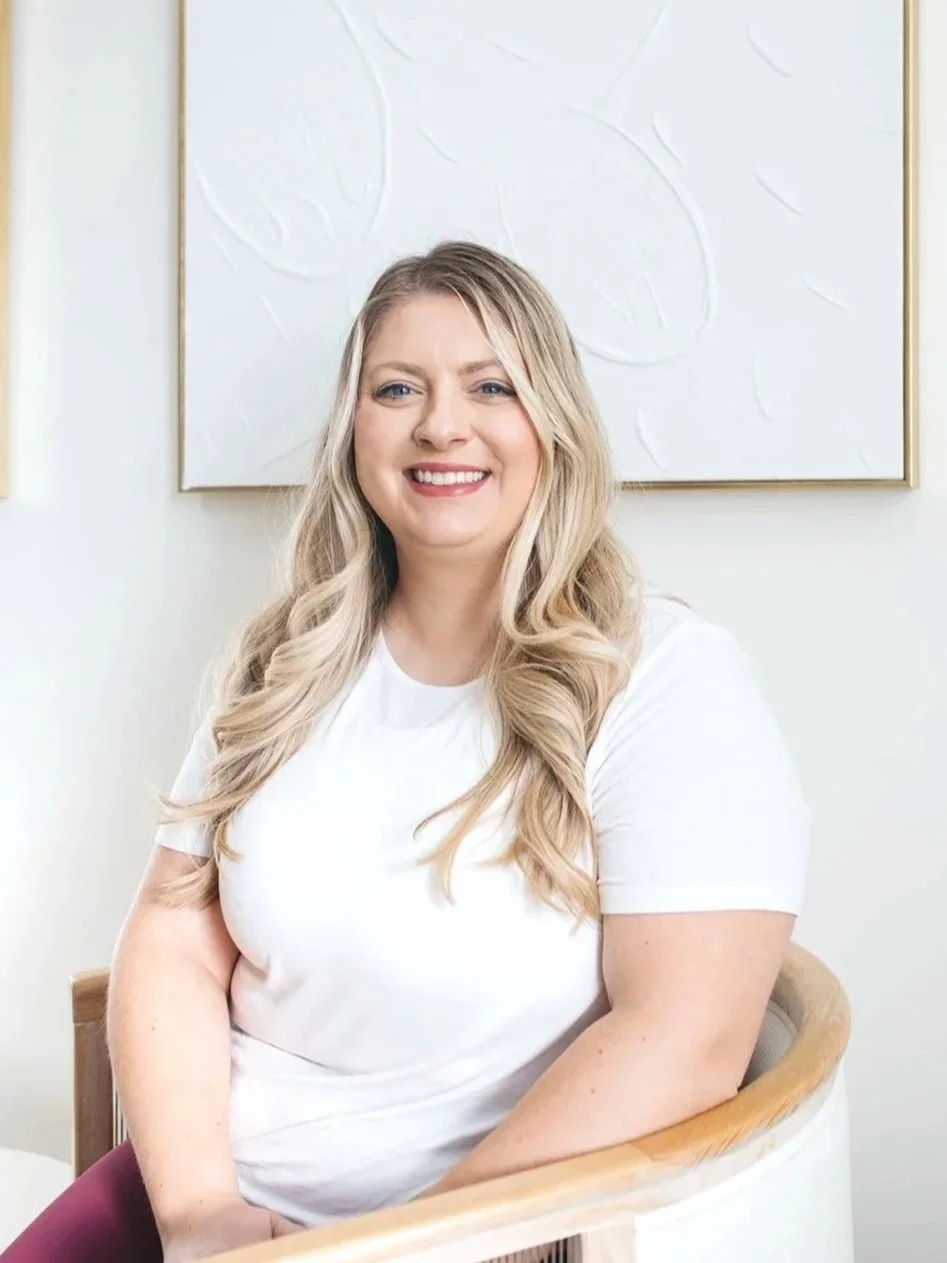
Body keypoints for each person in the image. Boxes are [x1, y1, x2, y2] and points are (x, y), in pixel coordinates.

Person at [2, 242, 809, 1263]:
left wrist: (396, 1249)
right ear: (352, 432)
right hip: (207, 1210)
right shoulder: (282, 665)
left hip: (470, 1236)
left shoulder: (666, 681)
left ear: (550, 424)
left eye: (490, 386)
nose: (440, 424)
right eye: (396, 389)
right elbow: (168, 943)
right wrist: (200, 1213)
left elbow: (685, 1043)